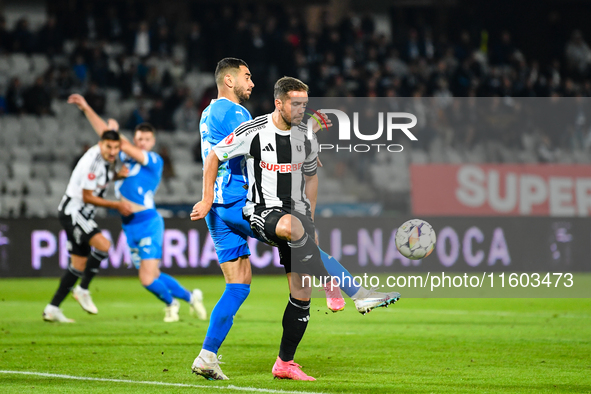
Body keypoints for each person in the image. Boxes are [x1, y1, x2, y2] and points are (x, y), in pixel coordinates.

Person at [190, 65, 400, 380]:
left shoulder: (208, 113)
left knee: (239, 285)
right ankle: (349, 288)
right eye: (247, 76)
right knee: (297, 234)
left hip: (218, 212)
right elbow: (264, 139)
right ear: (229, 79)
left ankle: (209, 357)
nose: (252, 81)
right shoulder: (236, 113)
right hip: (238, 203)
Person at [67, 94, 207, 323]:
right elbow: (109, 140)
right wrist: (87, 109)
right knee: (154, 274)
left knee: (146, 278)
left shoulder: (153, 160)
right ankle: (191, 298)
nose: (142, 142)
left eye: (146, 139)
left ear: (152, 143)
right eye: (139, 139)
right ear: (135, 138)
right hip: (129, 226)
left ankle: (171, 305)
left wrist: (103, 121)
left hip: (148, 221)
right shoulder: (123, 160)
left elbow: (113, 138)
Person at [43, 131, 132, 323]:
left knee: (78, 265)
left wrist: (117, 176)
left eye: (116, 147)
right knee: (104, 245)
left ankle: (52, 308)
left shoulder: (104, 161)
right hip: (74, 213)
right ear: (100, 144)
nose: (113, 151)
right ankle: (82, 289)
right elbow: (87, 196)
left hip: (78, 214)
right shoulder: (93, 162)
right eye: (109, 146)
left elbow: (100, 183)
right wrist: (117, 205)